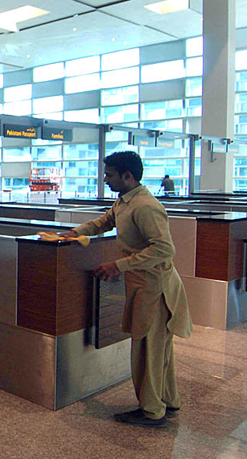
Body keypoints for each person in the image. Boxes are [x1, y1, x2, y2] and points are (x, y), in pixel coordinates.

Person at [60, 151, 192, 428]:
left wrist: (119, 265)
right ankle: (168, 399)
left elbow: (164, 249)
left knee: (148, 349)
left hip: (156, 287)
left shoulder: (145, 206)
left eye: (110, 175)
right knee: (157, 348)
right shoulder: (125, 200)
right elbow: (105, 221)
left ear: (127, 176)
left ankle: (152, 411)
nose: (105, 179)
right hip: (145, 284)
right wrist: (76, 232)